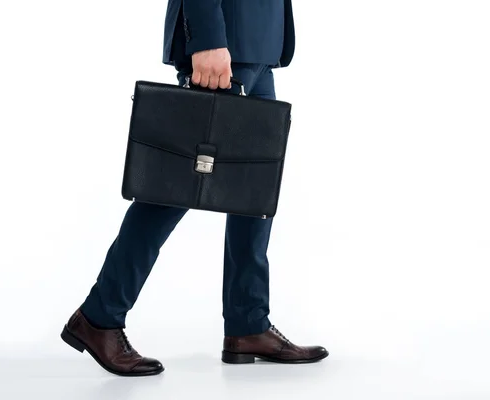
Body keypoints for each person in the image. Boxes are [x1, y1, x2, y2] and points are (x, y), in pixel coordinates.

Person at [60, 0, 328, 377]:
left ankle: (248, 322)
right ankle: (99, 316)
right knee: (173, 187)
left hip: (256, 43)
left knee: (254, 190)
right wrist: (206, 39)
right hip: (224, 43)